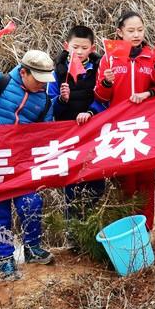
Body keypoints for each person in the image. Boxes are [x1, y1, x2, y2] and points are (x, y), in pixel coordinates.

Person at [0, 49, 56, 279]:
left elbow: (45, 132)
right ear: (24, 72)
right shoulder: (0, 81)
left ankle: (32, 248)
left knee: (31, 202)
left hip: (21, 161)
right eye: (38, 80)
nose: (42, 85)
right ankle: (5, 259)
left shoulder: (44, 100)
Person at [93, 11, 155, 228]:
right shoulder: (109, 59)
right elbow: (100, 97)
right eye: (130, 31)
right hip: (119, 129)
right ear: (119, 32)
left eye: (140, 30)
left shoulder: (152, 55)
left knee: (146, 182)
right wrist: (106, 83)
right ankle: (128, 231)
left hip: (145, 127)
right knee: (125, 183)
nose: (136, 35)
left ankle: (146, 230)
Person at [49, 25, 106, 229]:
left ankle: (93, 229)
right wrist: (62, 100)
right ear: (67, 46)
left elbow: (105, 98)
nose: (79, 52)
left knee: (97, 183)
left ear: (92, 48)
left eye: (84, 47)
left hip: (93, 133)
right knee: (71, 185)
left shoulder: (100, 67)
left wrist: (91, 111)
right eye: (75, 47)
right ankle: (73, 232)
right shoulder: (56, 71)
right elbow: (50, 107)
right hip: (68, 136)